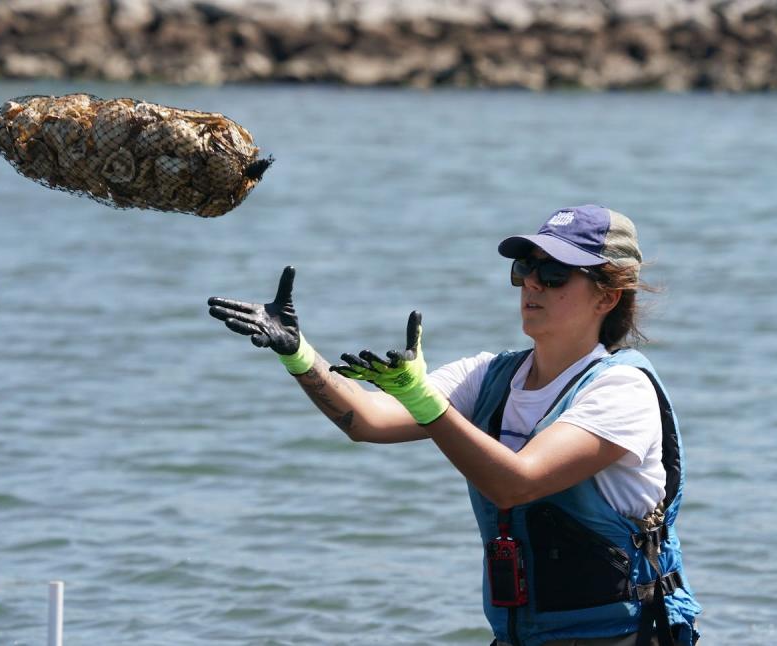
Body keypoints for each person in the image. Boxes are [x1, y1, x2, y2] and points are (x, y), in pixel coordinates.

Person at [207, 204, 702, 646]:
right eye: (525, 268)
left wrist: (424, 401)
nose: (532, 283)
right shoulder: (490, 375)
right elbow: (367, 420)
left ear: (607, 296)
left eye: (554, 273)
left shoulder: (622, 391)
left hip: (620, 636)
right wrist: (297, 352)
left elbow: (515, 484)